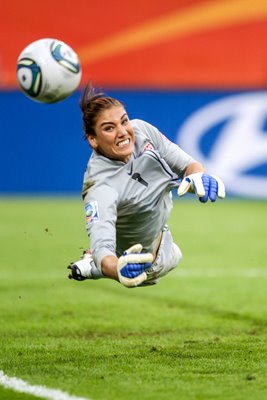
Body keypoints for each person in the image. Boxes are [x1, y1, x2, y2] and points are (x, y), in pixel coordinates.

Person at [68, 85, 225, 288]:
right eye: (109, 128)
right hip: (140, 257)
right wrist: (117, 270)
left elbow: (187, 164)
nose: (123, 132)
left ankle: (94, 265)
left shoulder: (141, 130)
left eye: (124, 121)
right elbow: (102, 248)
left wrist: (199, 177)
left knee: (174, 252)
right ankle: (93, 267)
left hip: (158, 223)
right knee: (173, 257)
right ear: (93, 140)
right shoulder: (100, 187)